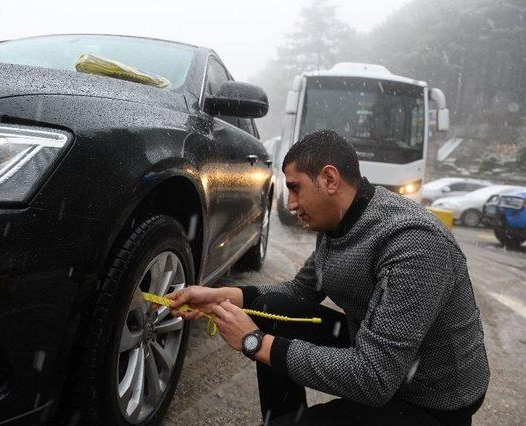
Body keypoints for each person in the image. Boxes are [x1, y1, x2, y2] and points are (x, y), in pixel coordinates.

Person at [166, 130, 489, 425]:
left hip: (430, 397)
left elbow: (373, 378)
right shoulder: (337, 223)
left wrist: (254, 342)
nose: (290, 205)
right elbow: (299, 292)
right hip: (379, 352)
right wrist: (221, 296)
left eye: (295, 189)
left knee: (268, 338)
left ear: (329, 179)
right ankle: (285, 418)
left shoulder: (413, 242)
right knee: (271, 307)